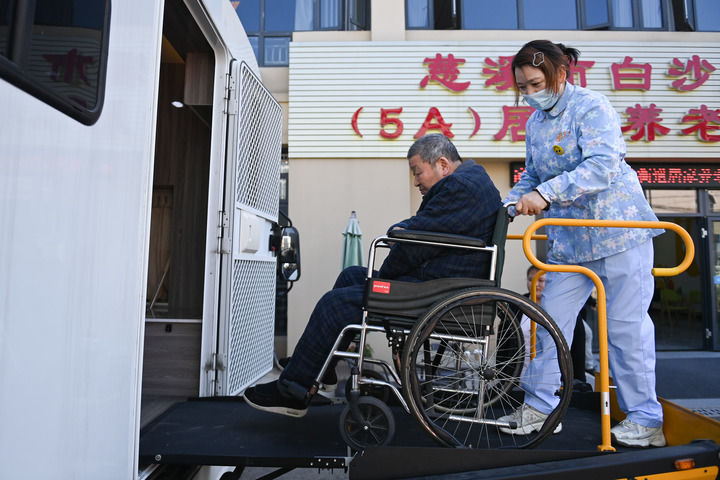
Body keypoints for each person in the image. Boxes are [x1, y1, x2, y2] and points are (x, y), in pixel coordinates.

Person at [244, 133, 502, 417]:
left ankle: (293, 391)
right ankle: (322, 366)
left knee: (335, 305)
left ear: (442, 164)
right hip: (445, 282)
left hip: (441, 290)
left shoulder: (459, 187)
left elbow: (416, 246)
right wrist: (401, 231)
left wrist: (384, 277)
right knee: (352, 275)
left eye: (418, 172)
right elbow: (422, 226)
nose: (416, 181)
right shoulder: (470, 182)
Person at [498, 40, 665, 448]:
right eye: (522, 87)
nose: (529, 93)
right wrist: (511, 200)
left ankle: (646, 419)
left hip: (618, 232)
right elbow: (532, 174)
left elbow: (601, 166)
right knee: (547, 323)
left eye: (536, 84)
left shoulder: (591, 107)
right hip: (570, 243)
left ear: (560, 73)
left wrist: (546, 193)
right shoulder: (535, 124)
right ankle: (541, 407)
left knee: (625, 329)